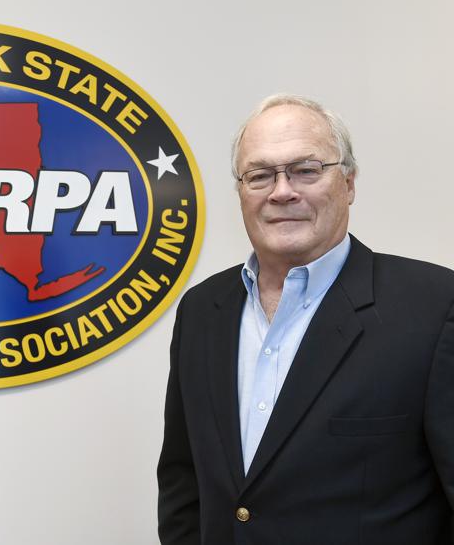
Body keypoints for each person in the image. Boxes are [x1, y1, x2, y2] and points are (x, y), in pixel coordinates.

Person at [157, 93, 454, 545]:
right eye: (260, 175)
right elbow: (184, 482)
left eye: (305, 170)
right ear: (241, 191)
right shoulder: (202, 310)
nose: (282, 191)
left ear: (349, 183)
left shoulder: (434, 307)